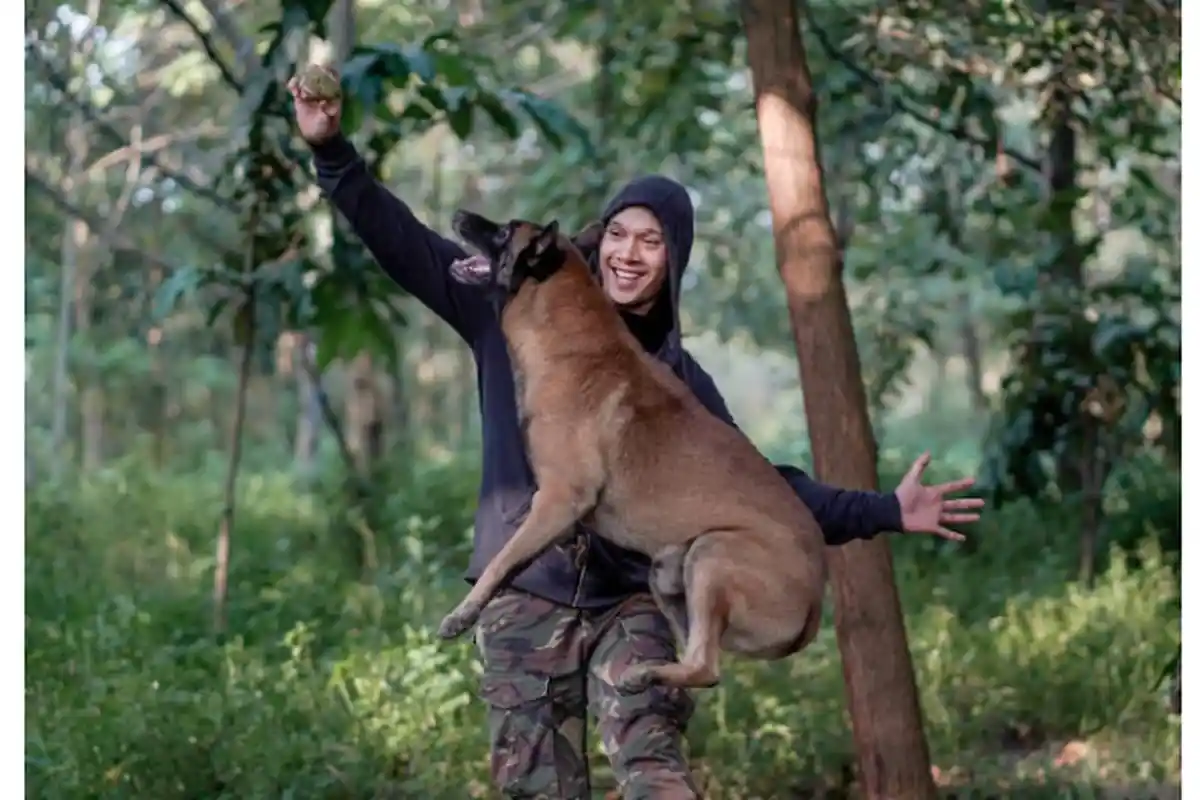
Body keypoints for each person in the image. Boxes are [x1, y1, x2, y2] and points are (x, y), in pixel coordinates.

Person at [289, 76, 984, 800]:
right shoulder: (513, 310)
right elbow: (407, 246)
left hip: (635, 599)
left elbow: (762, 490)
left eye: (651, 241)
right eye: (618, 232)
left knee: (654, 771)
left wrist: (885, 511)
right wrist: (331, 150)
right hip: (527, 594)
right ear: (596, 238)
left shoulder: (676, 382)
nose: (628, 252)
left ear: (672, 262)